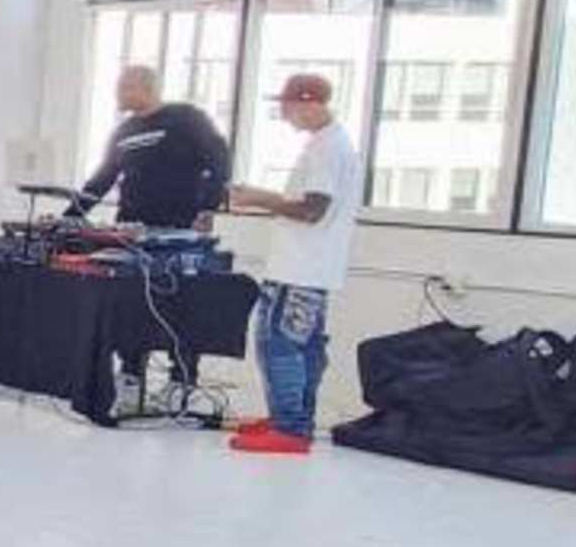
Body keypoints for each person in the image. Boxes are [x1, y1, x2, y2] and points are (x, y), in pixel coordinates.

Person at [221, 72, 362, 456]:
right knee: (303, 345)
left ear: (309, 102)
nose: (284, 115)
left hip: (301, 269)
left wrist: (258, 198)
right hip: (307, 267)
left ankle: (290, 427)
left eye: (287, 106)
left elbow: (313, 209)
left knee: (279, 343)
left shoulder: (327, 149)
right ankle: (293, 419)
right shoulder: (328, 144)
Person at [71, 64, 231, 228]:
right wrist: (70, 216)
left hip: (178, 227)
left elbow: (219, 161)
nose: (118, 95)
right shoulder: (123, 132)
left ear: (147, 89)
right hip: (131, 226)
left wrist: (208, 207)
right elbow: (102, 179)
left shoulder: (187, 118)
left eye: (125, 88)